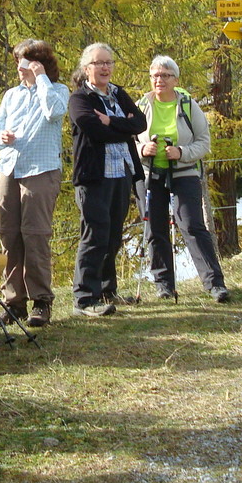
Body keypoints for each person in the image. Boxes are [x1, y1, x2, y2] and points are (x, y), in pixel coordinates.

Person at [135, 56, 229, 304]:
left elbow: (204, 142)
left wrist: (181, 152)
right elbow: (128, 141)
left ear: (176, 80)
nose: (159, 80)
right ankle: (164, 285)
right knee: (155, 228)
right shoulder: (141, 106)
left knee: (192, 225)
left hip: (184, 171)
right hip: (150, 173)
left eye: (165, 75)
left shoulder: (188, 105)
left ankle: (214, 283)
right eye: (155, 75)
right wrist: (142, 149)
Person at [0, 40, 70, 328]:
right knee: (9, 236)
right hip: (10, 168)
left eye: (25, 62)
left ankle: (41, 301)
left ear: (40, 63)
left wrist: (42, 79)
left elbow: (54, 112)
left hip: (41, 169)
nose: (20, 68)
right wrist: (2, 138)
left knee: (35, 235)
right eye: (18, 62)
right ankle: (14, 303)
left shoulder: (57, 90)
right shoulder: (11, 95)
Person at [68, 43, 145, 317]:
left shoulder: (118, 93)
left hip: (122, 172)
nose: (104, 68)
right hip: (94, 177)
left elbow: (140, 124)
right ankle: (84, 299)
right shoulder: (79, 99)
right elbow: (93, 130)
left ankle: (106, 290)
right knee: (94, 234)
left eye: (108, 62)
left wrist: (111, 122)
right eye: (98, 63)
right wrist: (124, 127)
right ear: (86, 68)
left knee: (113, 235)